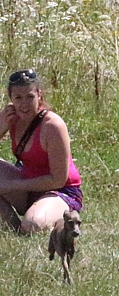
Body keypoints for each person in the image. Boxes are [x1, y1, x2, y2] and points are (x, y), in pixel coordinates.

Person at [0, 69, 82, 234]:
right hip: (29, 185)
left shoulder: (52, 126)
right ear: (11, 100)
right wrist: (1, 126)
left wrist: (13, 186)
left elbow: (58, 180)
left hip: (60, 190)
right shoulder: (12, 118)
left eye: (30, 97)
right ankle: (13, 229)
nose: (24, 105)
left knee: (32, 225)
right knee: (26, 225)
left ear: (39, 95)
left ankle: (55, 218)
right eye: (18, 98)